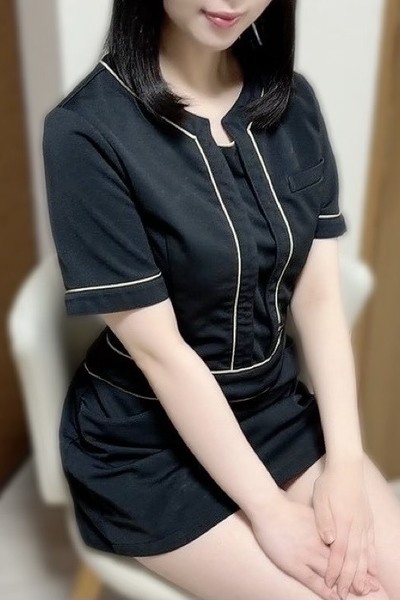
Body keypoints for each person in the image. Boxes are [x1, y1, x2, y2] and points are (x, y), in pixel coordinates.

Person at [41, 1, 400, 599]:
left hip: (274, 410)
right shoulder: (85, 131)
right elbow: (162, 355)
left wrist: (344, 463)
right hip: (146, 443)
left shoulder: (294, 104)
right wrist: (269, 511)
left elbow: (318, 303)